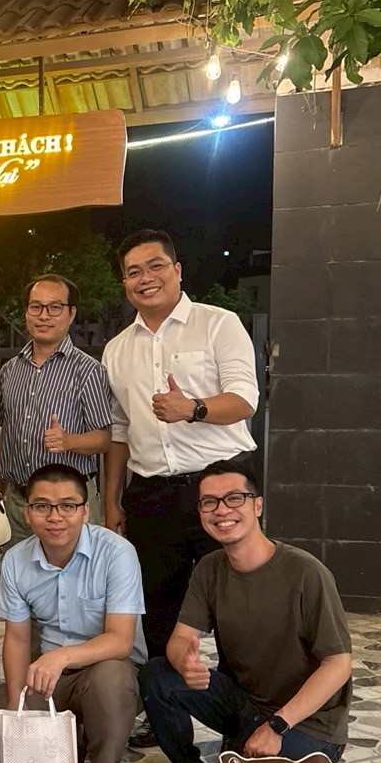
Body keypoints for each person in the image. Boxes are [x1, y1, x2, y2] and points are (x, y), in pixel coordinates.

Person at [137, 460, 354, 763]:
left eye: (234, 498)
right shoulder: (209, 569)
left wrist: (278, 726)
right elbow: (181, 638)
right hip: (244, 705)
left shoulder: (306, 573)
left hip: (307, 723)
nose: (222, 510)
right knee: (158, 674)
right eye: (209, 502)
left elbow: (338, 664)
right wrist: (184, 661)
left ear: (258, 505)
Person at [101, 229, 259, 664]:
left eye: (155, 266)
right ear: (125, 283)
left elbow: (245, 400)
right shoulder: (115, 350)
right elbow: (119, 432)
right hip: (151, 493)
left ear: (177, 270)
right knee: (157, 610)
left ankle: (243, 697)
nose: (145, 278)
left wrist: (192, 408)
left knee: (237, 604)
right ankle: (165, 697)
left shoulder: (219, 324)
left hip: (220, 487)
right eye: (134, 272)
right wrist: (112, 501)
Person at [0, 464, 146, 763]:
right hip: (52, 677)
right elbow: (17, 639)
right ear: (27, 513)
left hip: (109, 669)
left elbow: (120, 640)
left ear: (85, 511)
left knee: (110, 681)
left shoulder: (117, 553)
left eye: (68, 505)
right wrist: (18, 705)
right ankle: (69, 749)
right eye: (42, 506)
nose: (55, 516)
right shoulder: (17, 560)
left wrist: (61, 656)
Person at [0, 274, 113, 545]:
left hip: (69, 505)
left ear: (71, 314)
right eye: (35, 307)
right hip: (19, 504)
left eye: (54, 307)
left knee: (78, 571)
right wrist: (1, 487)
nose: (43, 315)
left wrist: (68, 441)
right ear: (26, 313)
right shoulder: (10, 371)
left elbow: (104, 439)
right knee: (17, 570)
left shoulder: (88, 370)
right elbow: (3, 433)